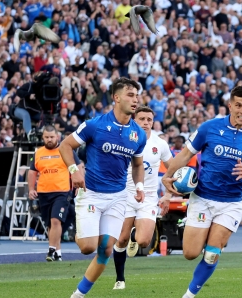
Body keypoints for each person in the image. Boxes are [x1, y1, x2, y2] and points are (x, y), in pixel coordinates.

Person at [161, 86, 242, 298]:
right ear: (230, 105)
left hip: (230, 204)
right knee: (190, 253)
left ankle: (188, 295)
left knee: (210, 253)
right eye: (238, 105)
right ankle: (199, 230)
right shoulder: (209, 128)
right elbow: (183, 155)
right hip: (202, 198)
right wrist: (166, 177)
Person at [59, 77, 147, 298]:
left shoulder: (139, 134)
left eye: (136, 95)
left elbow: (137, 165)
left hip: (118, 197)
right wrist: (74, 170)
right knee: (88, 247)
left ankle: (77, 295)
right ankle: (81, 227)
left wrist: (139, 185)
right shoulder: (94, 125)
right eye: (130, 95)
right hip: (91, 194)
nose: (135, 100)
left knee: (106, 249)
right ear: (116, 98)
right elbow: (65, 145)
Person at [112, 106, 173, 290]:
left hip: (148, 198)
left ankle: (134, 235)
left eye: (149, 119)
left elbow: (173, 169)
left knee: (144, 242)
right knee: (120, 240)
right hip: (124, 197)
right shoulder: (123, 139)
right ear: (134, 120)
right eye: (142, 119)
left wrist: (168, 194)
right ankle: (120, 279)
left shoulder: (159, 144)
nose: (146, 123)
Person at [28, 125, 80, 262]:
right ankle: (58, 253)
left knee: (56, 220)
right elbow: (32, 171)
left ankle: (51, 250)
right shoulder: (38, 153)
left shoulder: (65, 150)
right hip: (44, 192)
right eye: (47, 137)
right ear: (43, 137)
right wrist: (31, 189)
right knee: (50, 224)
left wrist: (79, 181)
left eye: (52, 137)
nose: (49, 139)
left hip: (62, 191)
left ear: (57, 136)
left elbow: (79, 166)